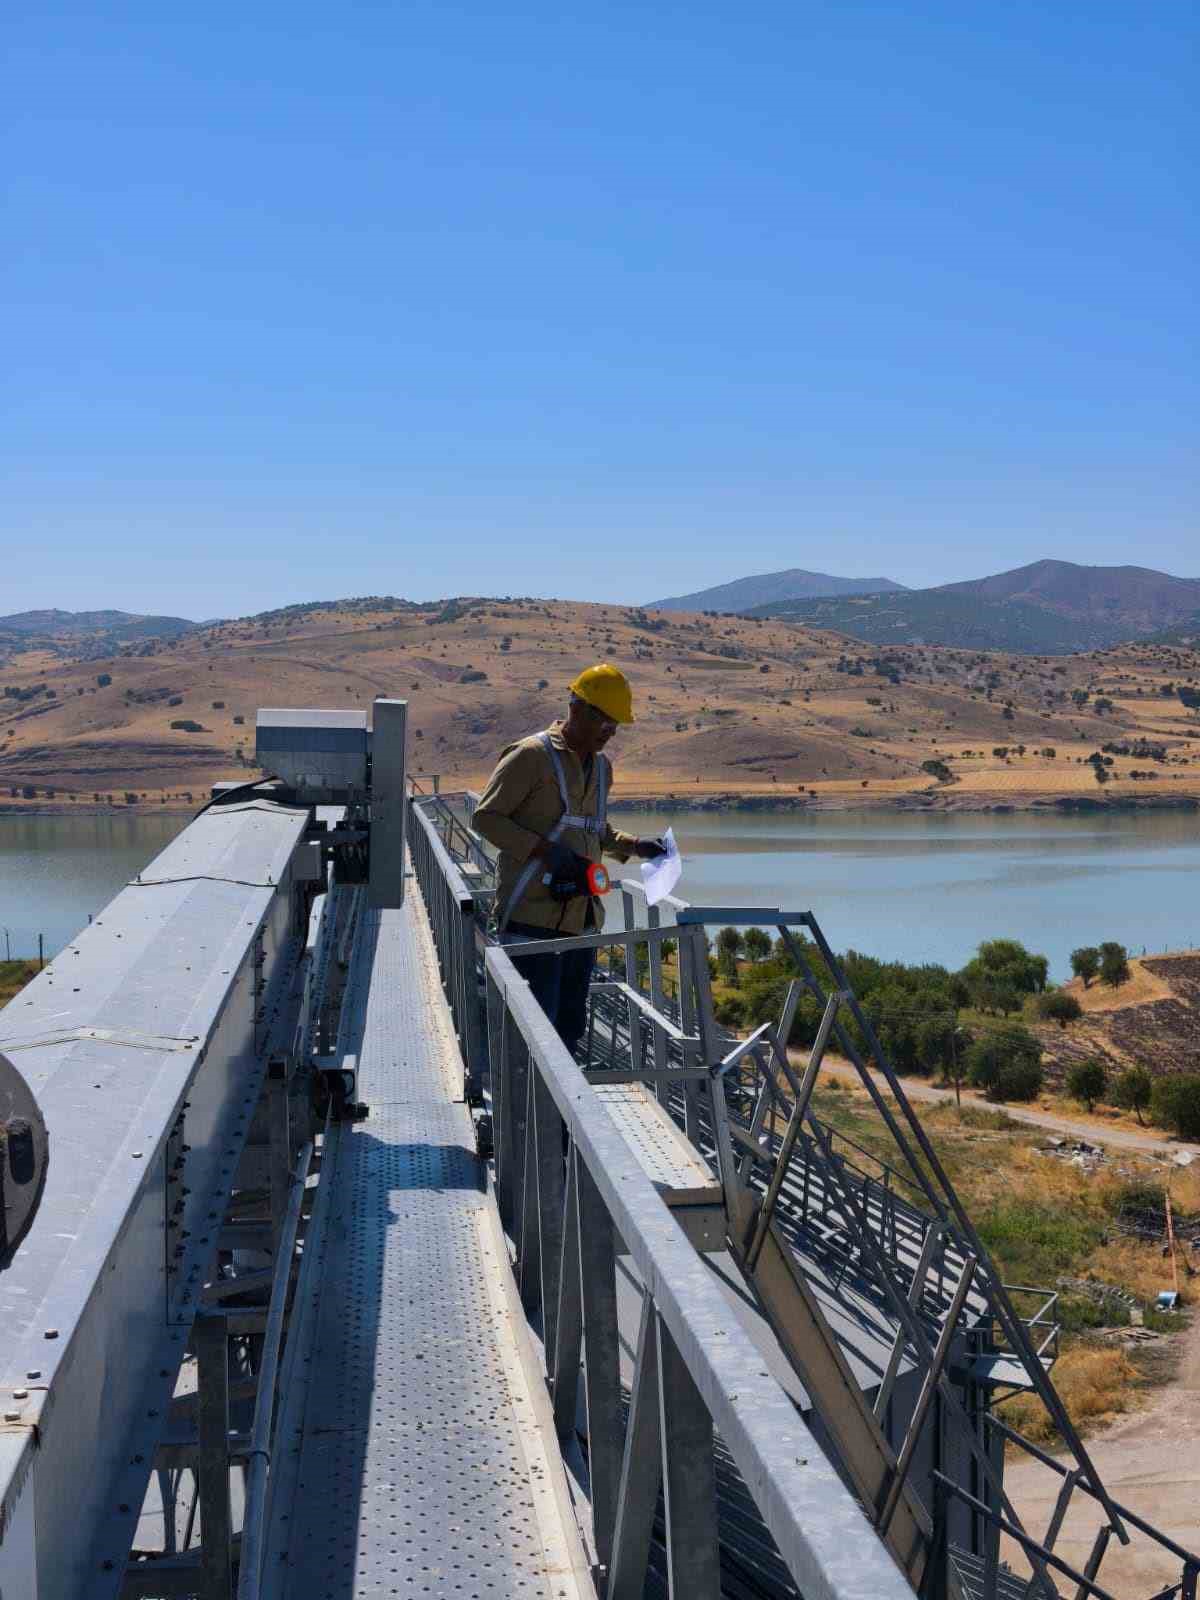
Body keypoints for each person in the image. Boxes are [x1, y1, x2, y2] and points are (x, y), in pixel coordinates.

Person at [472, 664, 667, 1055]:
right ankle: (523, 1095)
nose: (610, 732)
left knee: (568, 1028)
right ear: (577, 708)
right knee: (533, 1034)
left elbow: (593, 829)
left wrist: (635, 846)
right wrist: (545, 852)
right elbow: (486, 818)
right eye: (605, 721)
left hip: (583, 921)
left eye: (616, 724)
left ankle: (562, 1097)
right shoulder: (531, 756)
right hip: (532, 919)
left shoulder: (602, 768)